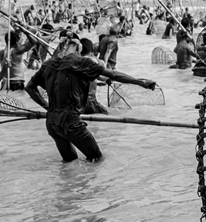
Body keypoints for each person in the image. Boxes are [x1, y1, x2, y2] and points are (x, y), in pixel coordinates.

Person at [24, 37, 156, 162]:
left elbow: (29, 87)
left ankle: (68, 186)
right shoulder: (81, 62)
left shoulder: (48, 64)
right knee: (97, 159)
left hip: (52, 122)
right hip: (71, 122)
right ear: (78, 48)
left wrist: (48, 108)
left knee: (69, 163)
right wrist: (139, 82)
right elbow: (113, 74)